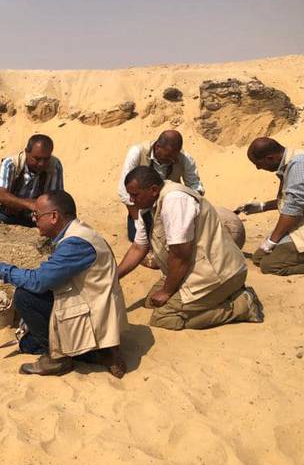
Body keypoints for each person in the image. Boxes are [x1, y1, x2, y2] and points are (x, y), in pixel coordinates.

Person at [0, 190, 128, 378]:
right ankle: (99, 353)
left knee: (25, 297)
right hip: (97, 308)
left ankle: (58, 359)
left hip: (94, 314)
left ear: (54, 216)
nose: (33, 219)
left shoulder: (75, 243)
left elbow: (39, 282)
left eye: (36, 215)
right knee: (28, 343)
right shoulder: (81, 232)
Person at [117, 166, 263, 330]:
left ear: (153, 190)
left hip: (217, 272)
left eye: (135, 195)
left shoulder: (175, 201)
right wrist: (114, 276)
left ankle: (242, 305)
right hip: (191, 269)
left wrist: (167, 291)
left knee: (164, 317)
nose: (131, 200)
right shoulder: (148, 207)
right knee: (151, 303)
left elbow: (180, 255)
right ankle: (222, 296)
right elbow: (138, 248)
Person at [118, 130, 204, 241]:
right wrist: (138, 222)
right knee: (138, 240)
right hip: (141, 209)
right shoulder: (137, 152)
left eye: (175, 156)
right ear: (157, 146)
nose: (172, 160)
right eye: (168, 156)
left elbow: (195, 187)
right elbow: (124, 192)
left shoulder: (184, 158)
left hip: (172, 208)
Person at [236, 138, 304, 275]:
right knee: (258, 258)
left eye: (258, 164)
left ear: (270, 158)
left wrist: (272, 241)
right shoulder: (290, 163)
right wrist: (262, 206)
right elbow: (290, 200)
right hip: (299, 221)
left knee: (269, 266)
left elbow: (293, 210)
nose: (258, 168)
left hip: (299, 222)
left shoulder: (298, 165)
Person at [0, 134, 64, 227]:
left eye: (46, 159)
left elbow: (56, 198)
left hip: (35, 216)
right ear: (27, 152)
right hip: (5, 212)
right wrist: (29, 204)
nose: (41, 164)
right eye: (37, 159)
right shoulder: (11, 163)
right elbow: (1, 195)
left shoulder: (55, 165)